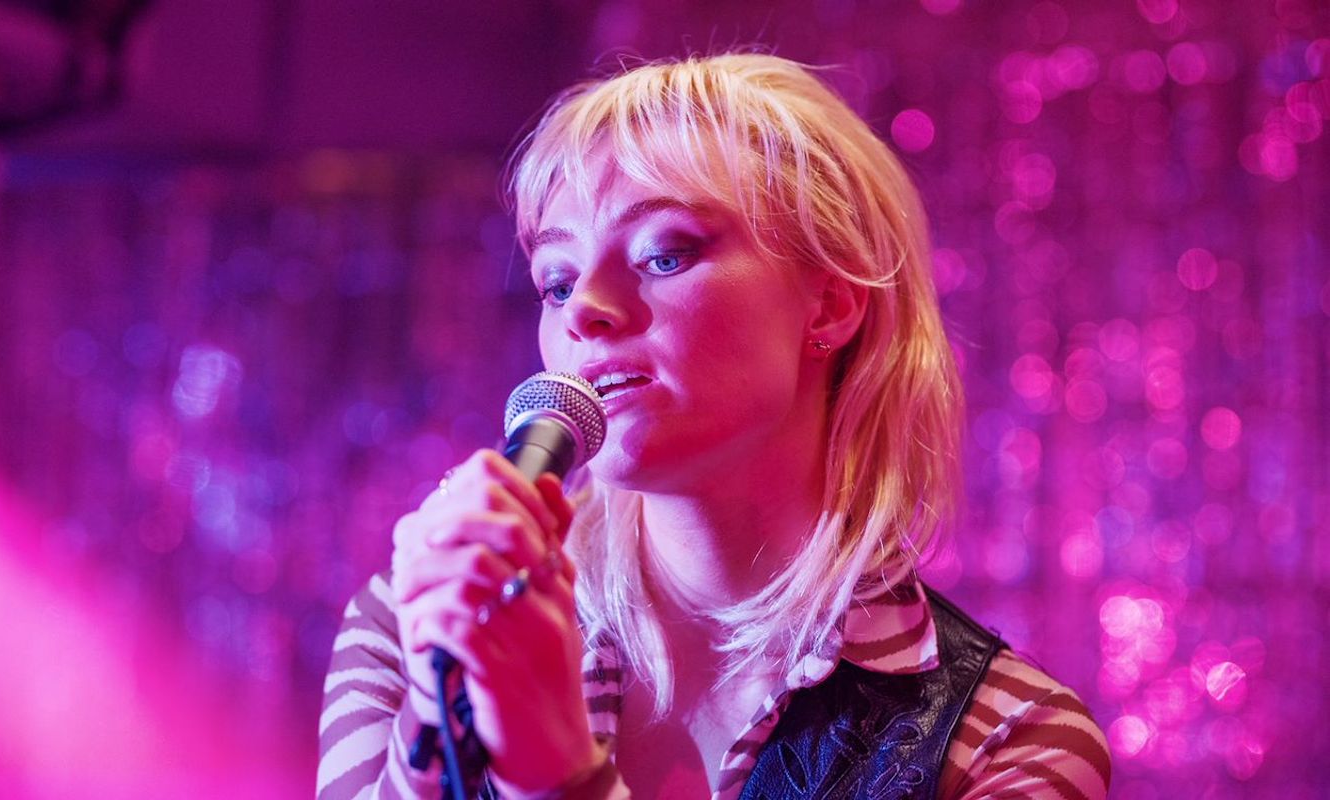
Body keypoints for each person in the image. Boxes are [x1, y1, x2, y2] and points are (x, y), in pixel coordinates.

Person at [318, 53, 1110, 799]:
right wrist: (438, 713)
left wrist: (558, 771)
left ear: (830, 304)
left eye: (663, 254)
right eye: (556, 281)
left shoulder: (1006, 740)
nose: (584, 308)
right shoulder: (415, 623)